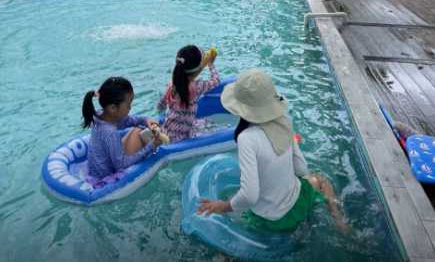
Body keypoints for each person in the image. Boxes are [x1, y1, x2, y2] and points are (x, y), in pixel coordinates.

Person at [198, 69, 349, 234]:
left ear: (239, 108)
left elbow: (249, 195)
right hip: (299, 202)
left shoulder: (247, 138)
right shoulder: (284, 121)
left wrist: (224, 206)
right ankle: (340, 222)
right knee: (321, 180)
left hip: (272, 221)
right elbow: (301, 169)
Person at [82, 76, 162, 180]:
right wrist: (151, 147)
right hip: (107, 177)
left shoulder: (100, 115)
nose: (130, 108)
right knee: (140, 134)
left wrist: (146, 120)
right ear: (113, 108)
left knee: (138, 129)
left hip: (97, 171)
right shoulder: (110, 132)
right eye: (128, 104)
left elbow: (127, 121)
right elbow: (121, 165)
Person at [157, 45, 220, 142]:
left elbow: (161, 105)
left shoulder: (173, 83)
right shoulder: (197, 86)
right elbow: (216, 80)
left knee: (205, 122)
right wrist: (211, 64)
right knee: (213, 126)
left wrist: (160, 114)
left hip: (168, 130)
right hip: (182, 137)